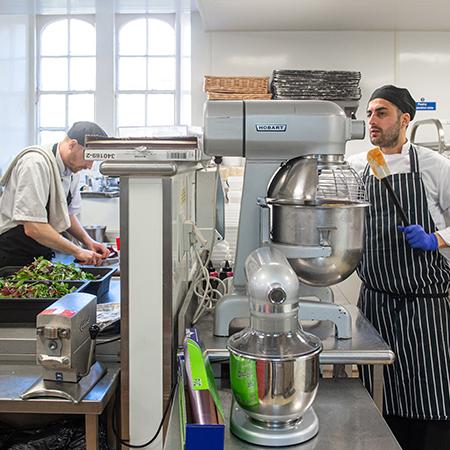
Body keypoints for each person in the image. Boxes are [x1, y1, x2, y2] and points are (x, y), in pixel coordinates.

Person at [348, 85, 450, 450]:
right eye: (370, 113)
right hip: (375, 304)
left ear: (405, 119)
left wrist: (436, 239)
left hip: (426, 307)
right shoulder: (360, 166)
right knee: (377, 399)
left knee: (431, 397)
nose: (372, 121)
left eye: (382, 113)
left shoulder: (435, 166)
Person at [0, 121, 109, 267]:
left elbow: (67, 214)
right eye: (88, 157)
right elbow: (33, 227)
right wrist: (77, 250)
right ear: (72, 144)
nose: (89, 166)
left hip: (40, 249)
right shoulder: (35, 164)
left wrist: (88, 241)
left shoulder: (73, 170)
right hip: (13, 251)